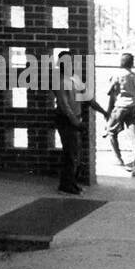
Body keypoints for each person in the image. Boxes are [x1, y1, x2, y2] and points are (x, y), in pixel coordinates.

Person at [51, 52, 85, 194]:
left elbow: (87, 96)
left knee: (75, 153)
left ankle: (71, 182)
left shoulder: (73, 79)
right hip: (67, 120)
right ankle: (66, 185)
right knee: (70, 153)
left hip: (74, 119)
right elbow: (64, 105)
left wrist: (103, 111)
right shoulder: (59, 81)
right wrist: (75, 121)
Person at [104, 52, 135, 176]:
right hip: (133, 107)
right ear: (132, 63)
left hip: (120, 107)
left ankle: (118, 159)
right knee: (134, 136)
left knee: (110, 131)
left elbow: (109, 91)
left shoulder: (117, 75)